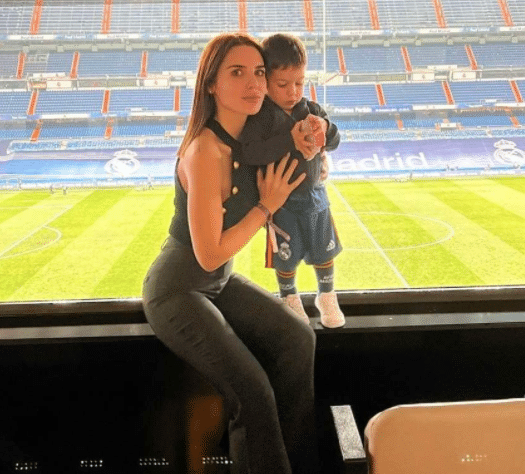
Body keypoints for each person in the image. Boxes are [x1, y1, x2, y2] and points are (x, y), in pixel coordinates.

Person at [142, 32, 318, 474]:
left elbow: (309, 149)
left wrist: (314, 141)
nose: (254, 83)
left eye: (259, 72)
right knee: (252, 393)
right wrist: (265, 208)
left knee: (299, 340)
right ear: (211, 84)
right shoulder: (205, 150)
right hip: (178, 290)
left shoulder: (254, 140)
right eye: (237, 73)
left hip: (216, 284)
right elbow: (208, 254)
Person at [239, 33, 345, 328]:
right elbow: (250, 153)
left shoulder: (311, 110)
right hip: (280, 203)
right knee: (286, 254)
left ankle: (326, 295)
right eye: (283, 84)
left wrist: (326, 128)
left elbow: (335, 140)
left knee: (324, 248)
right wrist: (290, 140)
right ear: (265, 81)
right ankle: (289, 297)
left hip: (315, 197)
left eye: (299, 82)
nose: (293, 91)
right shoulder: (260, 117)